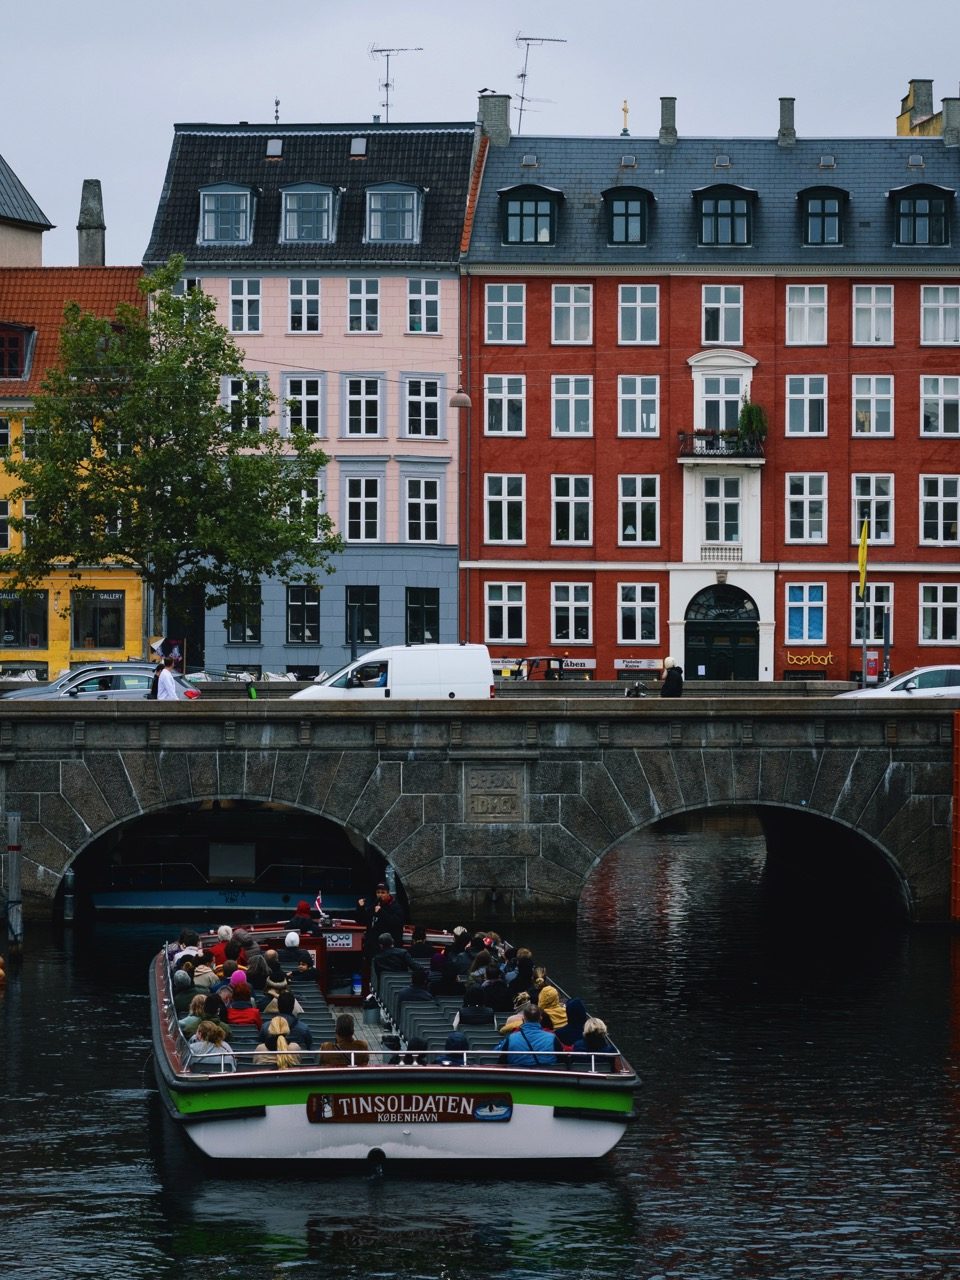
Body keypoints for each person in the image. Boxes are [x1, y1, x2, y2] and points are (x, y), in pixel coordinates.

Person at [497, 1002, 563, 1068]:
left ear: (523, 1019)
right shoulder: (552, 1038)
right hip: (547, 1076)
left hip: (518, 1076)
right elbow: (561, 1062)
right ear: (540, 1019)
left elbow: (501, 1062)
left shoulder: (511, 1038)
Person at [360, 882, 405, 956]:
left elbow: (396, 922)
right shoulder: (374, 905)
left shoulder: (395, 906)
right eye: (378, 892)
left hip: (389, 947)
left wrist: (381, 912)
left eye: (383, 892)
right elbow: (363, 921)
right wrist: (361, 908)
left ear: (388, 893)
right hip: (374, 946)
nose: (380, 895)